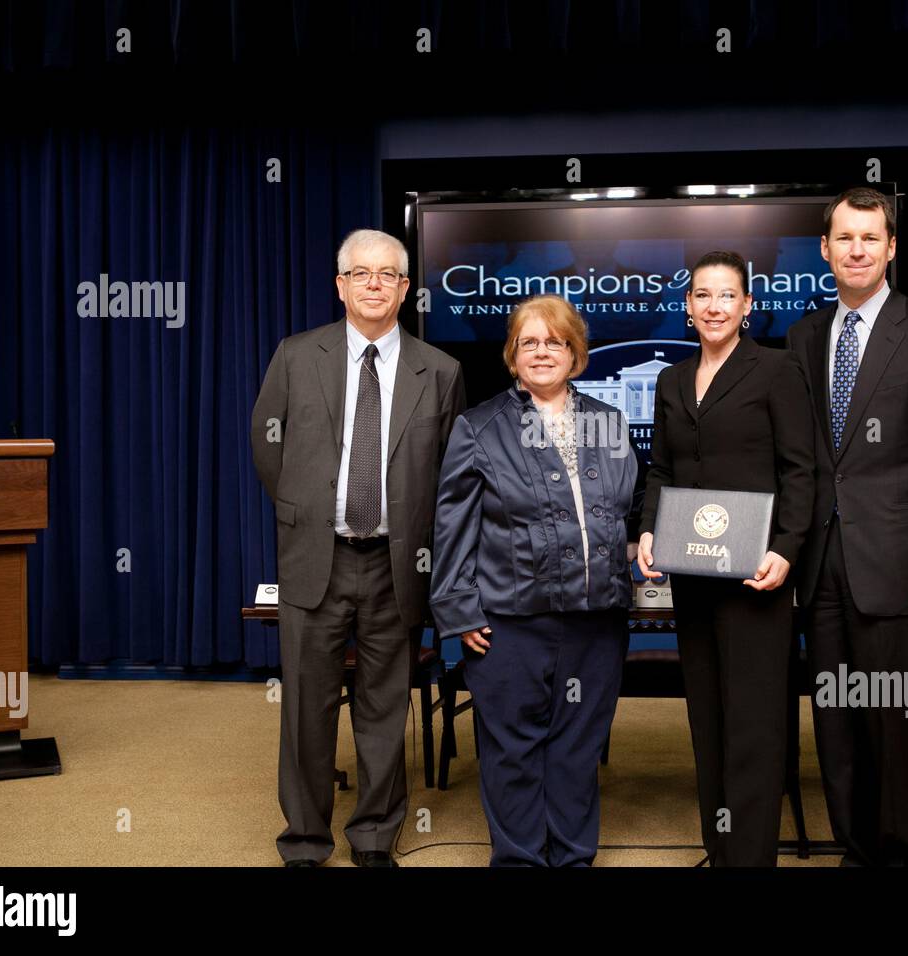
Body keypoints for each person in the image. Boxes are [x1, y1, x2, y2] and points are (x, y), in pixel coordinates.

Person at [251, 228, 466, 867]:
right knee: (305, 713)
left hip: (398, 567)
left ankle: (374, 836)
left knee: (383, 708)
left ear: (405, 288)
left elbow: (452, 474)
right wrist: (304, 511)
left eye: (388, 275)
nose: (375, 284)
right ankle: (305, 840)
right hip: (317, 557)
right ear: (340, 285)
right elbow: (268, 445)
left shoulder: (442, 371)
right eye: (361, 273)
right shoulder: (296, 355)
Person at [785, 187, 908, 867]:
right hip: (820, 566)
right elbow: (805, 457)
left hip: (898, 565)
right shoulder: (806, 334)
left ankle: (902, 857)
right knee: (835, 723)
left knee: (895, 721)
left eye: (871, 238)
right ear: (825, 249)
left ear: (892, 247)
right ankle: (857, 849)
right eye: (845, 238)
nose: (857, 250)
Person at [431, 294, 637, 866]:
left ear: (576, 353)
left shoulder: (609, 421)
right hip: (508, 622)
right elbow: (452, 526)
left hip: (597, 620)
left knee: (577, 748)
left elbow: (632, 507)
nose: (542, 352)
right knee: (512, 751)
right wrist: (459, 608)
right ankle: (520, 860)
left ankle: (572, 857)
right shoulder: (479, 426)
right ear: (511, 355)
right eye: (529, 342)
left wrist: (653, 538)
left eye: (556, 342)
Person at [636, 251, 815, 867]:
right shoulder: (671, 380)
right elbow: (660, 467)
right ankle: (722, 845)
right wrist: (648, 530)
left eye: (726, 296)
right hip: (693, 574)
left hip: (756, 575)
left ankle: (751, 856)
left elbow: (802, 469)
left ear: (747, 306)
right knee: (708, 716)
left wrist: (786, 548)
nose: (714, 307)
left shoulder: (778, 370)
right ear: (688, 307)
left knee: (754, 722)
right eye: (702, 296)